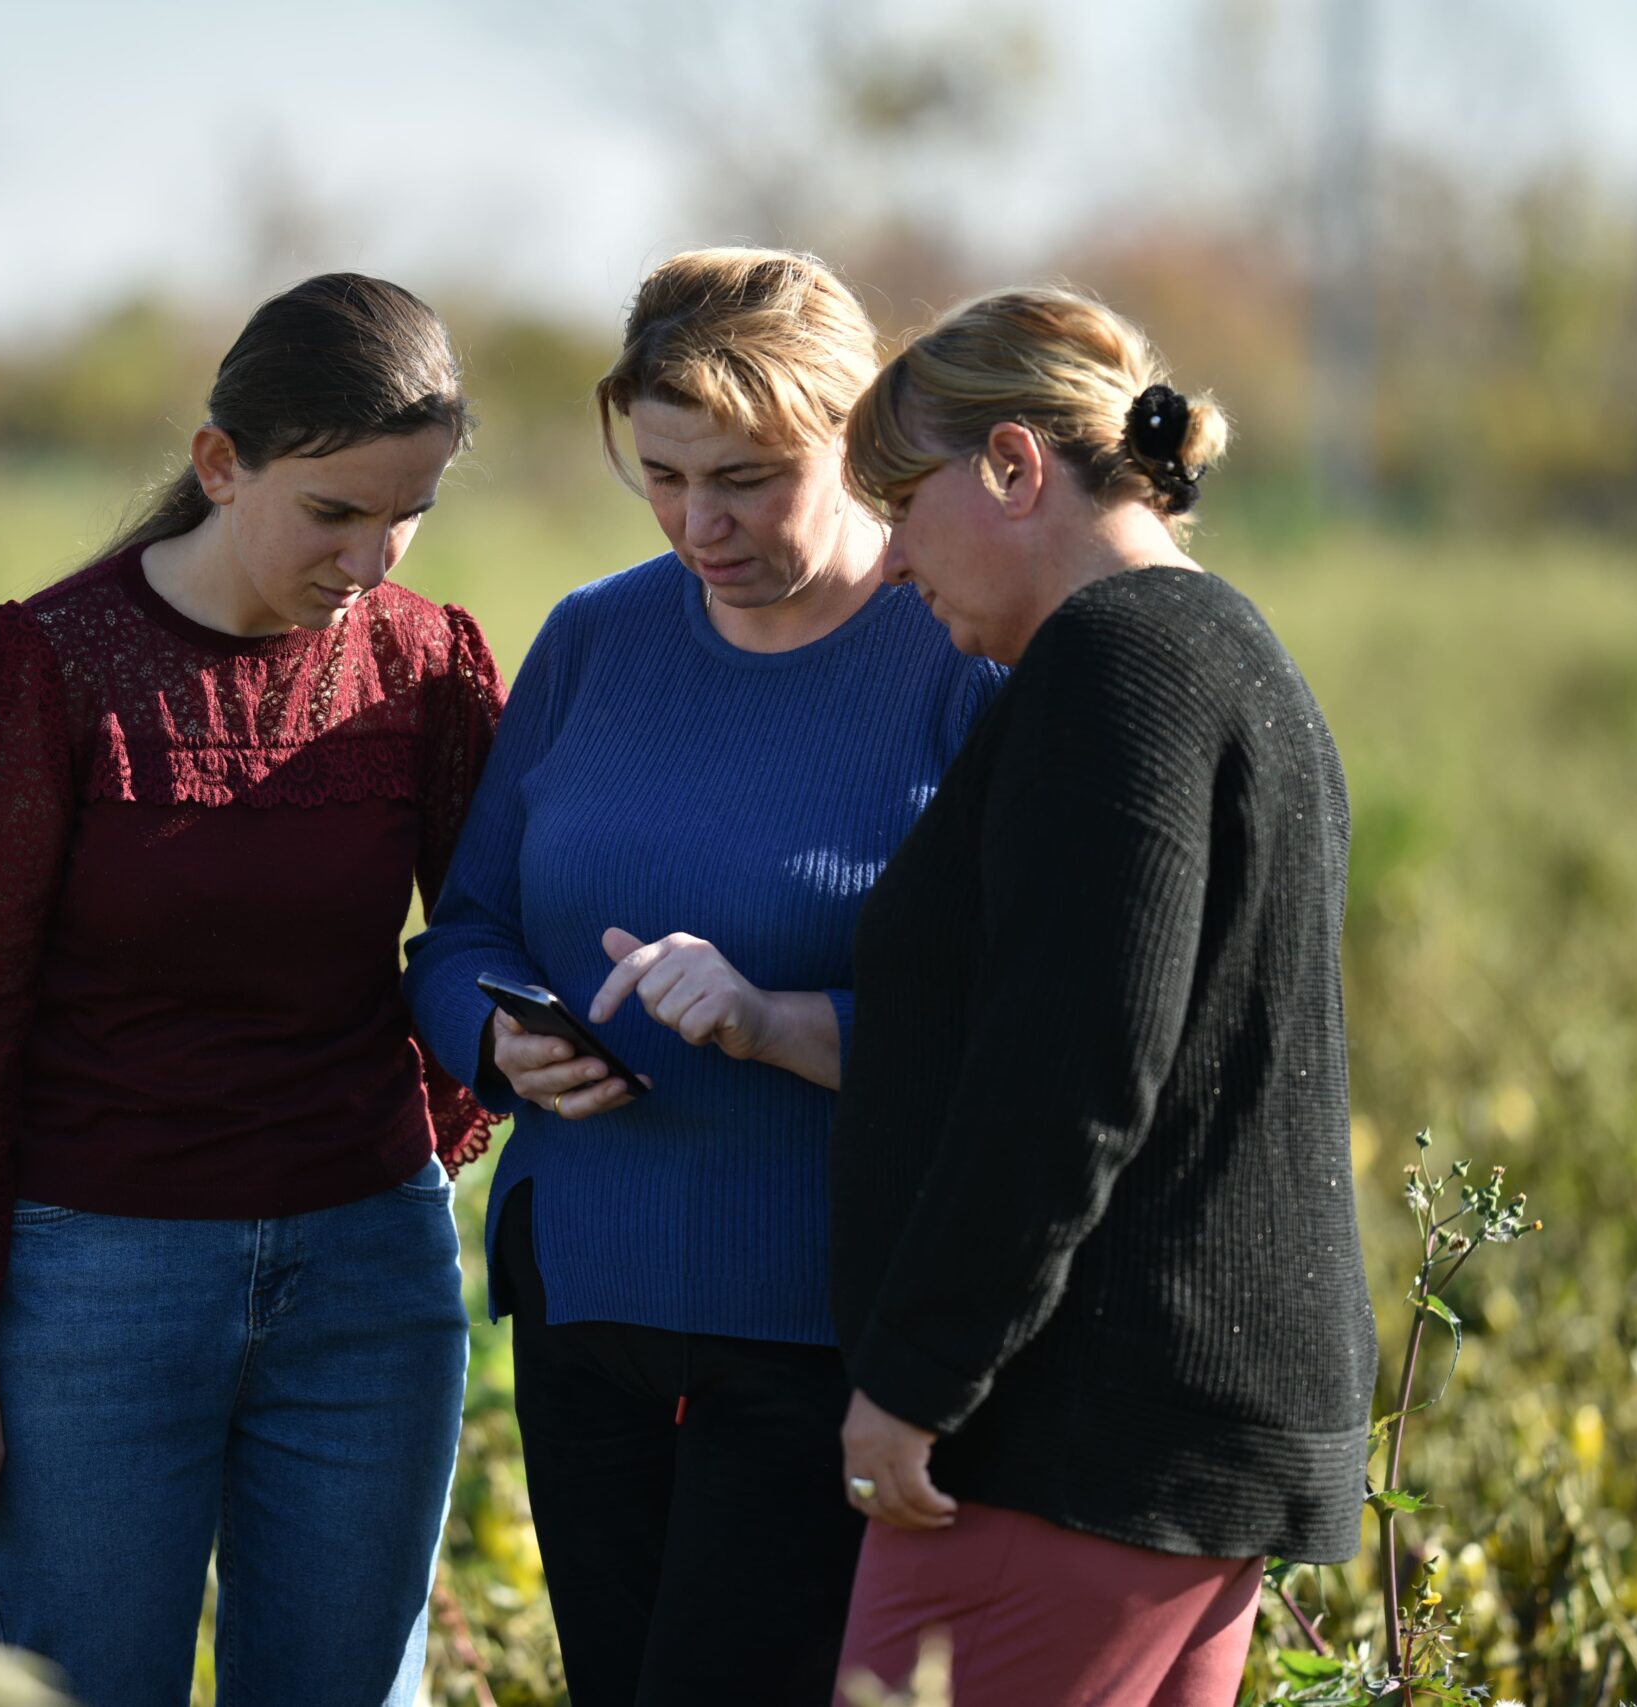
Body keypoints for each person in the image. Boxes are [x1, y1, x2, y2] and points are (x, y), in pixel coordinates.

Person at [0, 273, 504, 1707]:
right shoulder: (53, 663)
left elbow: (489, 932)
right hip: (99, 1290)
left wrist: (425, 1143)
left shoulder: (426, 664)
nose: (370, 557)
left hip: (369, 1285)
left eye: (407, 514)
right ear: (221, 464)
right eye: (332, 511)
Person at [403, 248, 1004, 1705]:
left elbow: (1020, 1025)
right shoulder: (595, 638)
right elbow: (464, 931)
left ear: (855, 440)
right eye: (663, 478)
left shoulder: (961, 656)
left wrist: (773, 1020)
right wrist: (496, 1036)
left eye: (746, 480)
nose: (698, 524)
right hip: (586, 1303)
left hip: (823, 1326)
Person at [826, 285, 1378, 1706]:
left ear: (1014, 467)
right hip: (1179, 1441)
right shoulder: (1230, 648)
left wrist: (919, 1376)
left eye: (903, 505)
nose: (891, 562)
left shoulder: (1110, 665)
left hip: (1065, 1442)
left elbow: (1069, 1070)